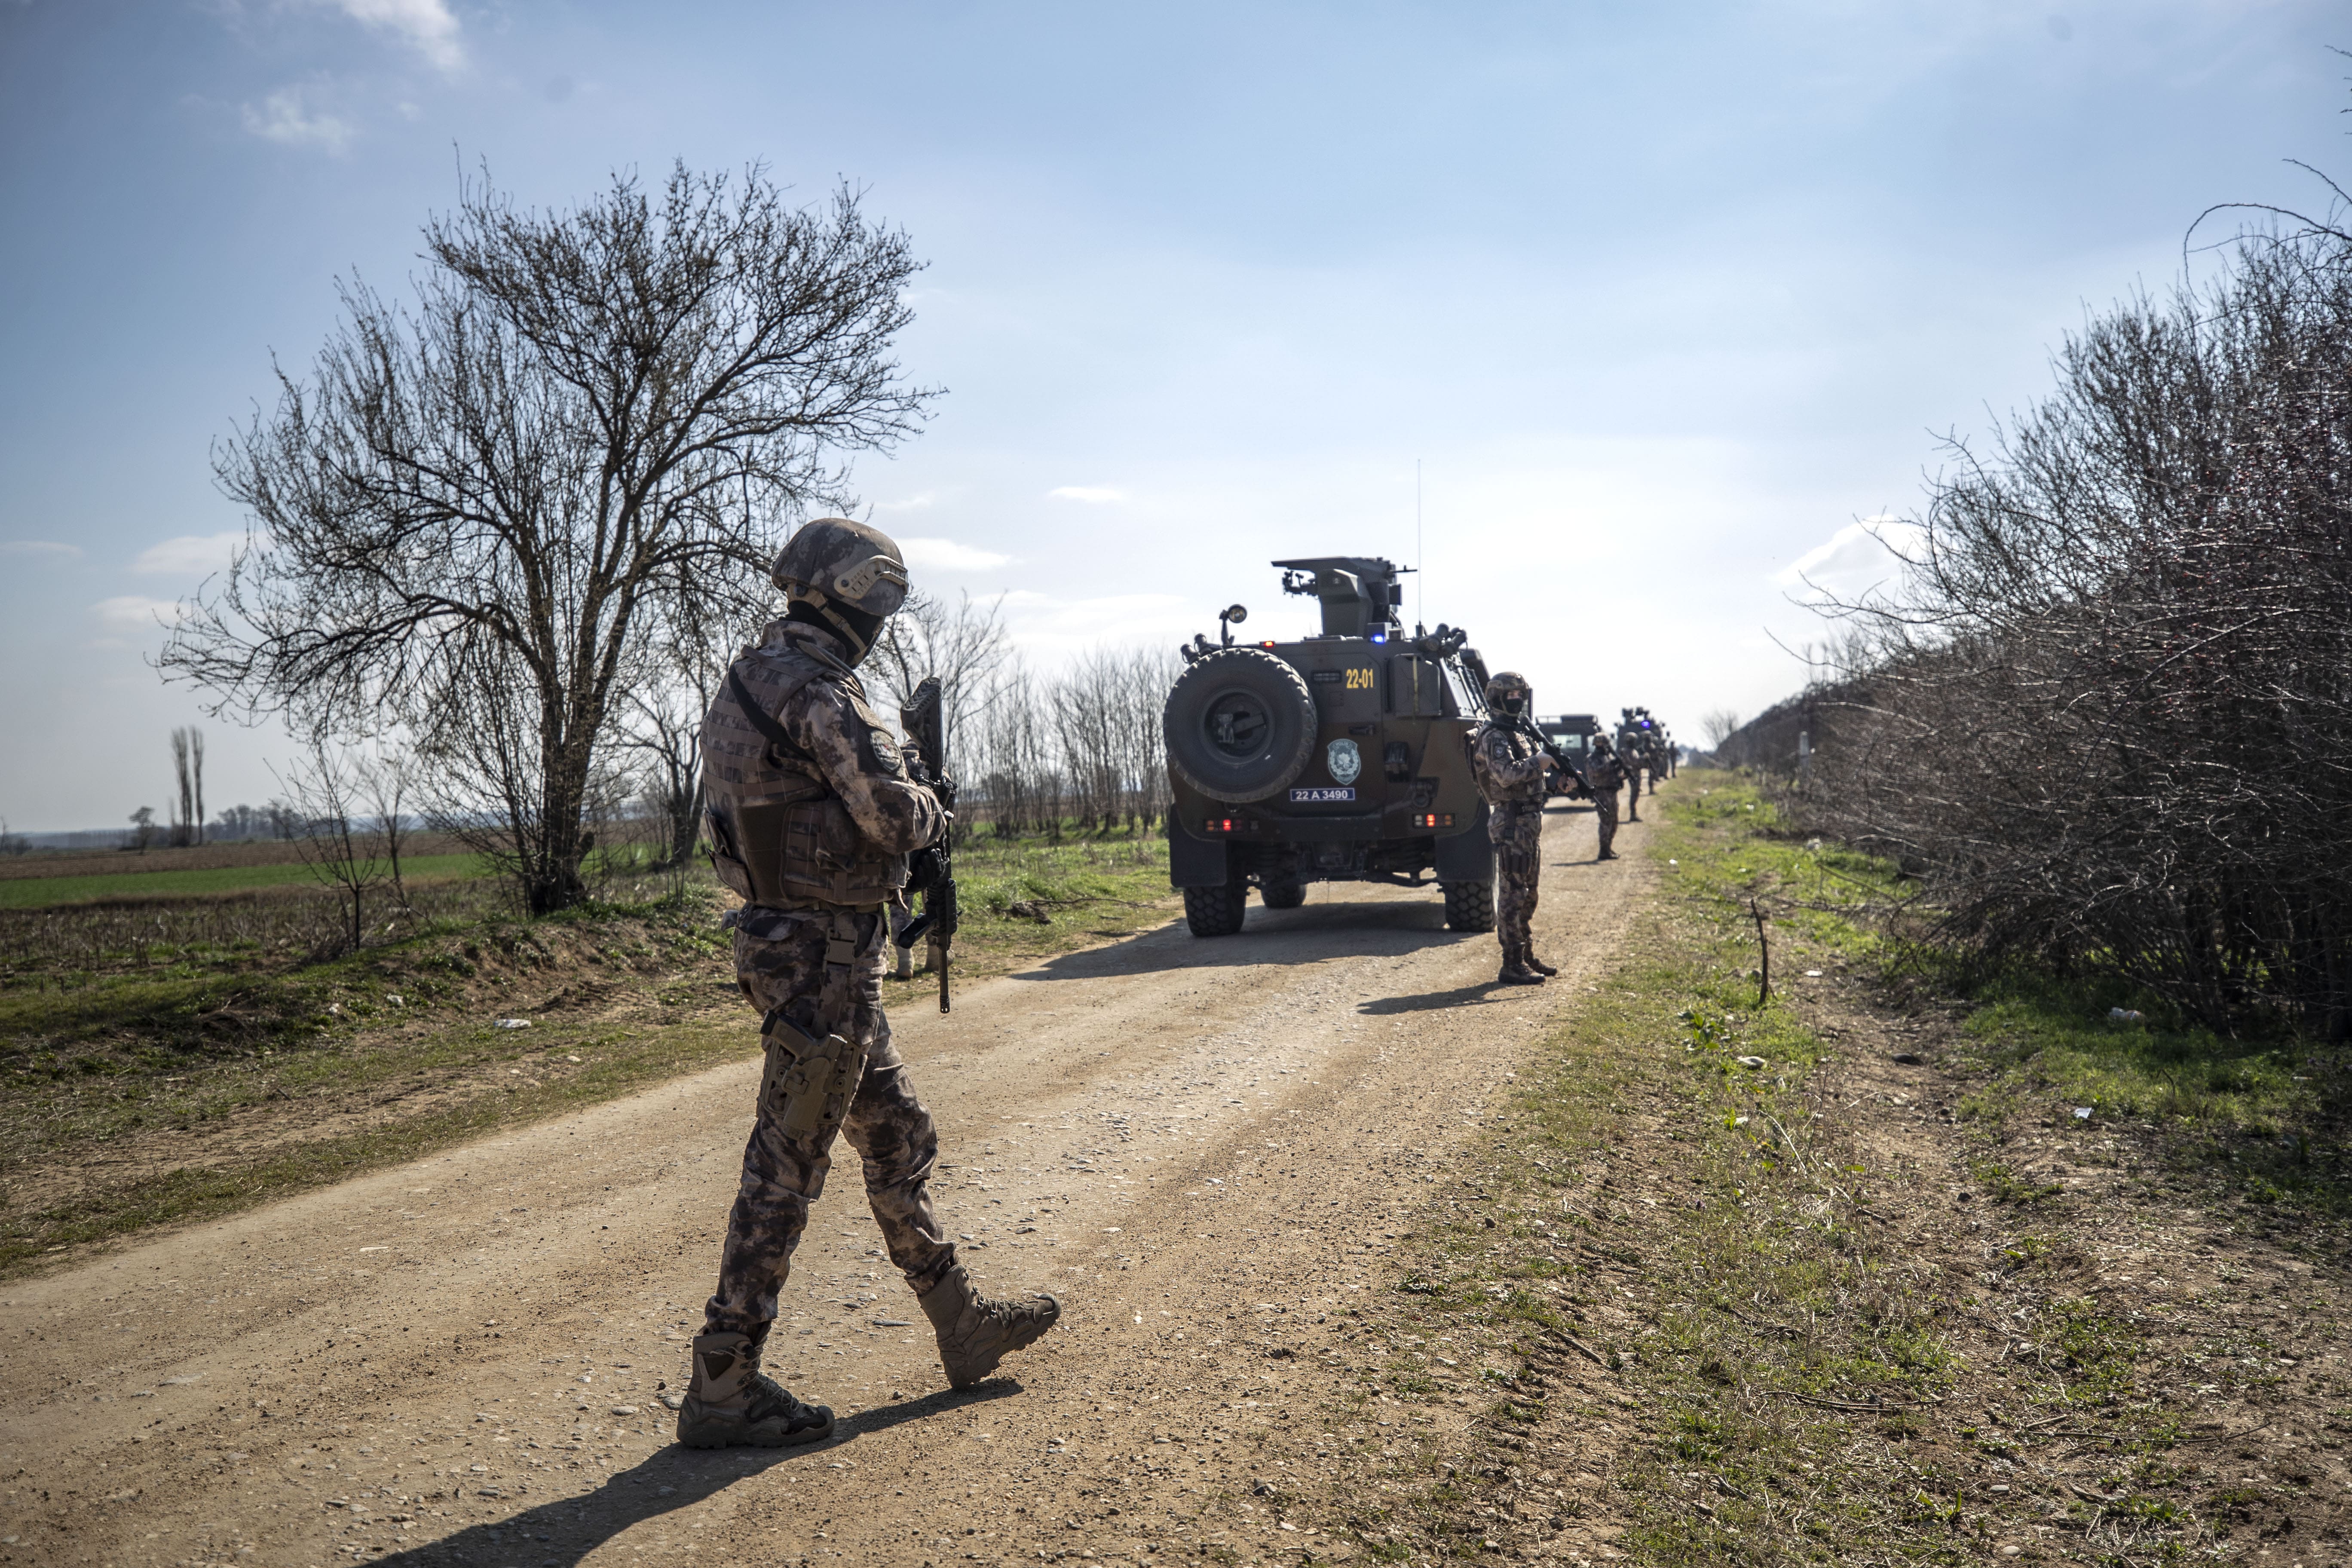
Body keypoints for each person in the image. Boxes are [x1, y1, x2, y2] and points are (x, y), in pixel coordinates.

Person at [683, 518, 1060, 1450]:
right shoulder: (817, 693)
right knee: (791, 1158)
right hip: (824, 957)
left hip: (798, 942)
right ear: (849, 600)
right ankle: (724, 1378)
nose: (884, 620)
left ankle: (960, 1322)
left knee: (896, 1135)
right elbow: (893, 818)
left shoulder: (752, 676)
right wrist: (935, 804)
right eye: (879, 599)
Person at [1468, 671, 1557, 985]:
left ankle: (1526, 955)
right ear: (1496, 698)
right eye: (1512, 696)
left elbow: (1529, 779)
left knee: (1529, 894)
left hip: (1528, 824)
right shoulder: (1494, 735)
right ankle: (1511, 963)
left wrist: (1558, 784)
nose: (1518, 701)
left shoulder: (1516, 732)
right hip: (1512, 824)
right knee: (1512, 895)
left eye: (1521, 695)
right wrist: (1540, 762)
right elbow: (1506, 776)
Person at [1586, 734, 1627, 861]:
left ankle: (1608, 848)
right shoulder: (1591, 758)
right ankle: (1603, 851)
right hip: (1601, 794)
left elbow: (1611, 773)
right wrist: (1612, 764)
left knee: (1614, 822)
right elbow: (1596, 772)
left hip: (1611, 793)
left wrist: (1621, 774)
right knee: (1606, 822)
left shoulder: (1607, 757)